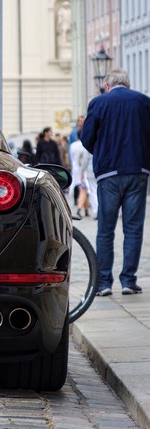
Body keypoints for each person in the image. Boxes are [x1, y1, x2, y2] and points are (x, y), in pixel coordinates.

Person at [81, 68, 150, 297]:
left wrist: (102, 154)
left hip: (108, 174)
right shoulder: (143, 101)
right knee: (133, 228)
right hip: (137, 170)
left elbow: (87, 138)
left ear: (108, 86)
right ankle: (129, 281)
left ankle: (103, 283)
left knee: (105, 230)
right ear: (127, 85)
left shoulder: (99, 103)